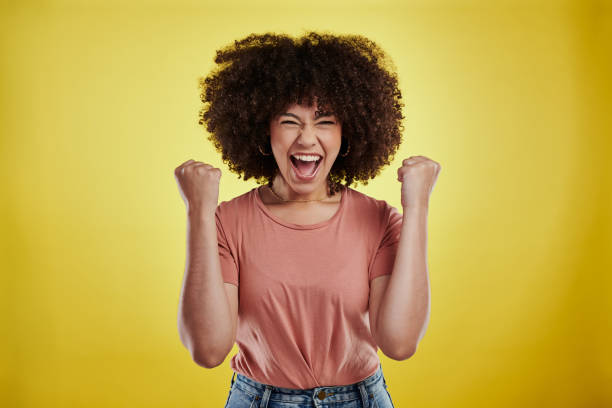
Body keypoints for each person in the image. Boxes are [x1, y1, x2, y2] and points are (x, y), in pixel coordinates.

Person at [174, 31, 441, 408]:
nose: (307, 138)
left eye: (324, 121)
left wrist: (418, 209)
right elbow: (208, 350)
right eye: (289, 121)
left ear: (347, 131)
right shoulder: (227, 221)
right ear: (263, 130)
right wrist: (198, 211)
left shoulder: (377, 219)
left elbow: (399, 343)